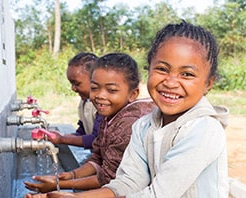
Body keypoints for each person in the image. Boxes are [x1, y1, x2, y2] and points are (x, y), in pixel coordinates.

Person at [45, 20, 229, 198]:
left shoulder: (204, 130)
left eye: (187, 74)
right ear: (149, 69)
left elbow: (159, 194)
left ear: (208, 84)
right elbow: (129, 183)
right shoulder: (143, 126)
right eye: (162, 69)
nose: (171, 82)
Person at [24, 52, 155, 197]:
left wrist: (59, 185)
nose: (100, 95)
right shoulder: (108, 114)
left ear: (133, 94)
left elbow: (110, 179)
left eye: (111, 90)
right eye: (95, 88)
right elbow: (98, 156)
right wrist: (70, 175)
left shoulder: (129, 122)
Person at [48, 52, 102, 149]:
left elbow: (96, 139)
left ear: (94, 80)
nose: (73, 88)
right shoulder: (84, 102)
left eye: (76, 83)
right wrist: (58, 136)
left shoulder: (103, 105)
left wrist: (62, 139)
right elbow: (82, 132)